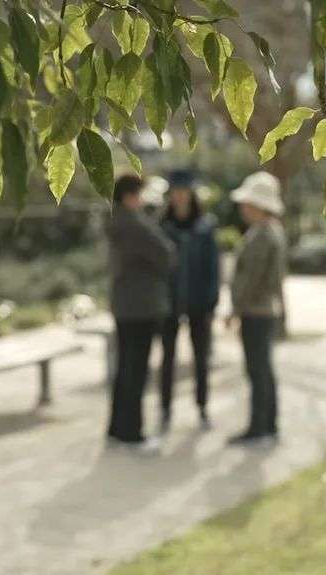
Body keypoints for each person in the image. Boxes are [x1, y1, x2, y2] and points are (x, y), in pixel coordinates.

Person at [107, 174, 176, 452]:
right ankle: (132, 433)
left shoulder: (115, 222)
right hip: (142, 306)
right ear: (130, 196)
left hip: (124, 305)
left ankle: (117, 428)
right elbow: (168, 254)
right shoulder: (135, 224)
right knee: (136, 370)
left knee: (125, 369)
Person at [226, 172, 287, 444]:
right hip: (263, 310)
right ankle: (268, 426)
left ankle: (260, 428)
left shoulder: (263, 235)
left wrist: (235, 309)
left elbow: (250, 278)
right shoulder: (271, 231)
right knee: (263, 370)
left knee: (258, 371)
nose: (243, 208)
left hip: (256, 311)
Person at [159, 170, 220, 433]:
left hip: (199, 302)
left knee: (201, 358)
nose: (180, 196)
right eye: (176, 192)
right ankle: (165, 408)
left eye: (184, 192)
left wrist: (211, 302)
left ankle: (202, 406)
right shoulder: (162, 227)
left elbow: (214, 269)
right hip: (169, 304)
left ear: (191, 194)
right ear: (171, 195)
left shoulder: (205, 228)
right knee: (167, 357)